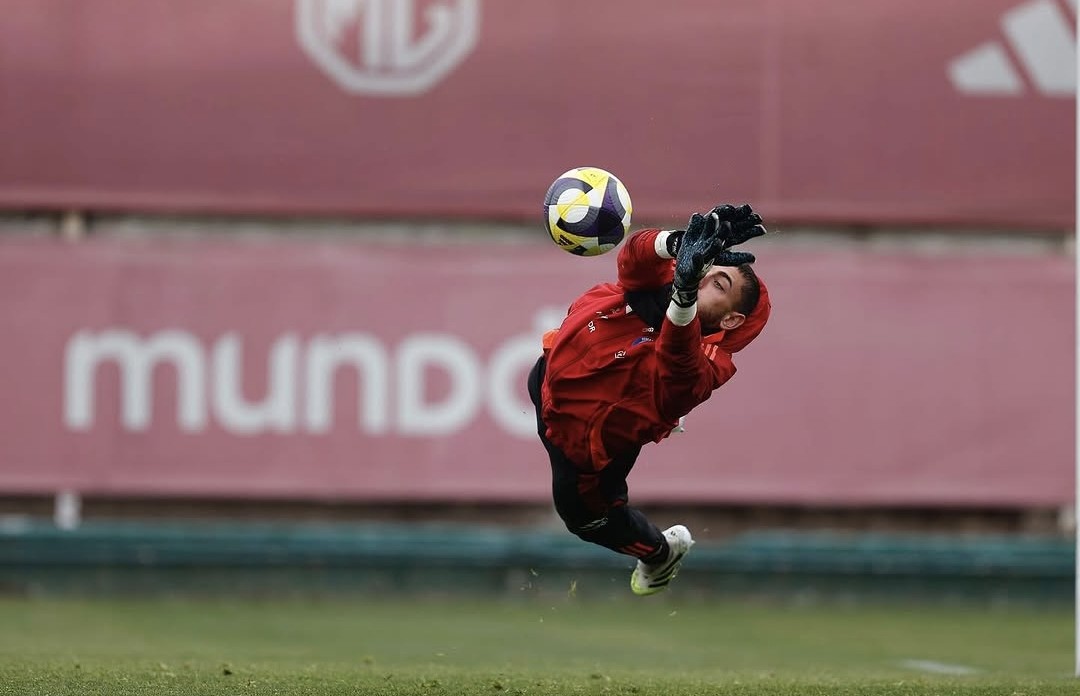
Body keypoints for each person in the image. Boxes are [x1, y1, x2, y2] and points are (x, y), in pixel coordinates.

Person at [527, 204, 771, 596]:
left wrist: (688, 291)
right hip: (546, 381)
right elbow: (635, 254)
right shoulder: (659, 286)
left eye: (719, 285)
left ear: (730, 320)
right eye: (707, 267)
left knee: (584, 519)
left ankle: (661, 553)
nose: (703, 274)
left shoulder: (709, 365)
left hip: (586, 446)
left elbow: (678, 357)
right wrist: (676, 242)